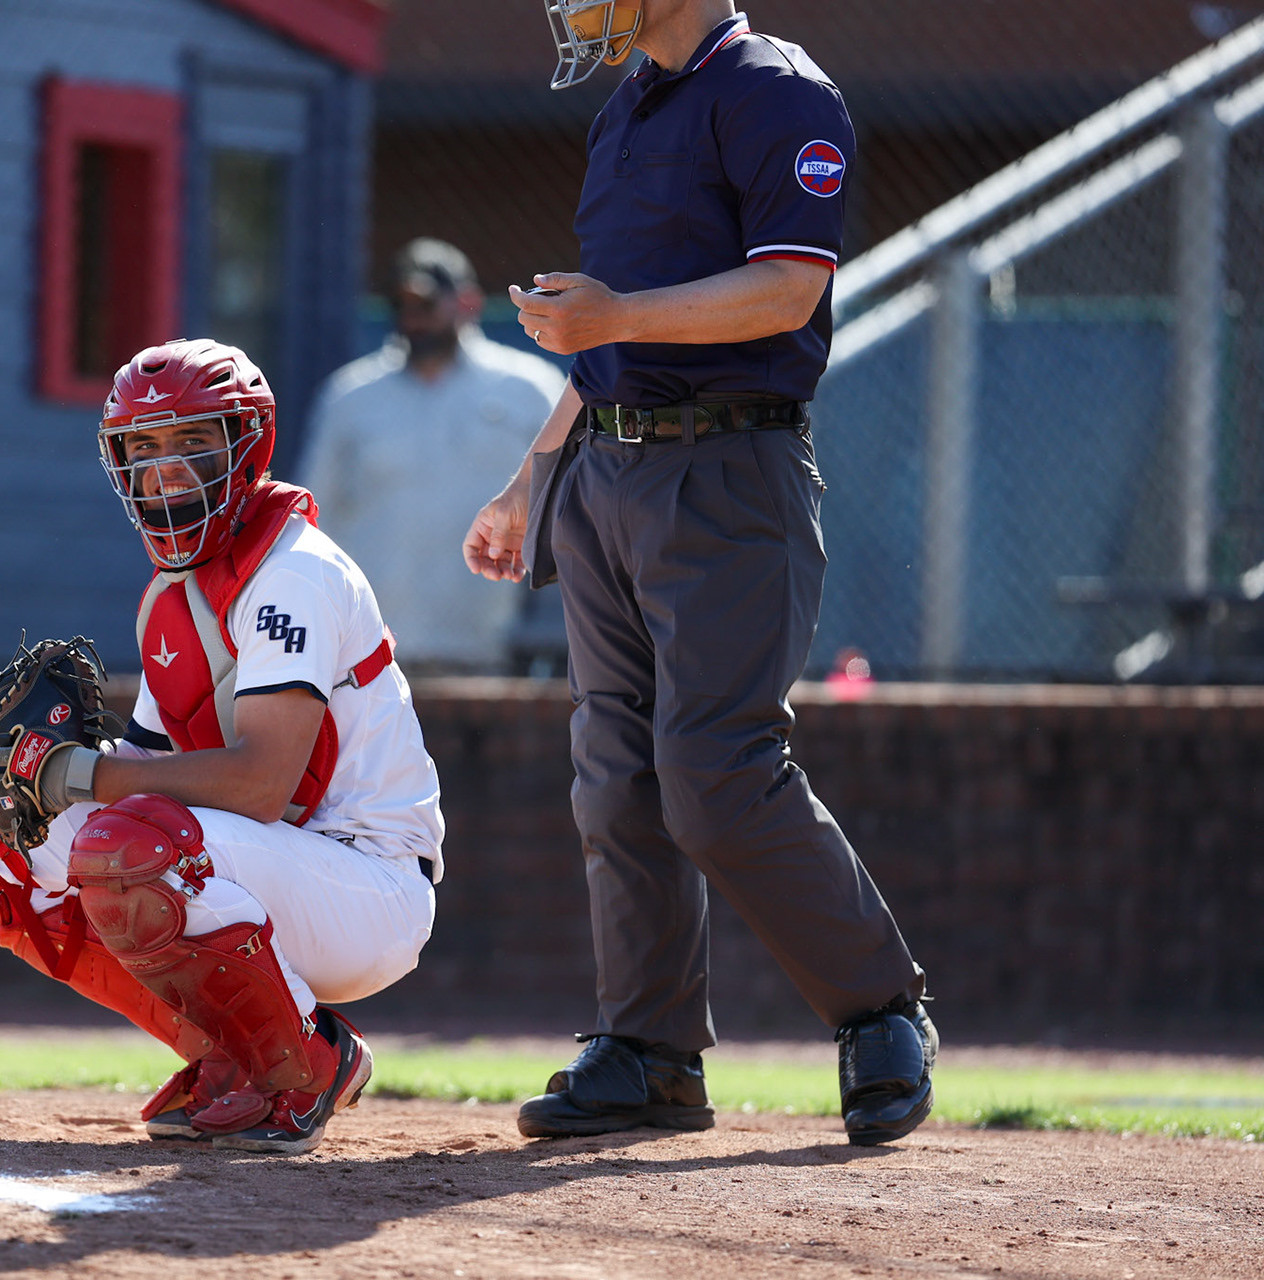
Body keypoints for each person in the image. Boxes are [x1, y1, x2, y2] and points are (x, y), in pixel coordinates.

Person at [462, 1, 937, 1146]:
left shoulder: (778, 88)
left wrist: (617, 311)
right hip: (608, 474)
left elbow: (789, 288)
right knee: (615, 777)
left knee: (716, 775)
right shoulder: (628, 108)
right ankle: (649, 1051)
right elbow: (609, 341)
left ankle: (883, 1007)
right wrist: (532, 474)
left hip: (732, 473)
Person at [0, 338, 442, 1155]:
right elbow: (140, 775)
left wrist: (71, 772)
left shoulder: (294, 573)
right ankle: (229, 1057)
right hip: (268, 866)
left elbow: (261, 783)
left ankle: (310, 1059)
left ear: (248, 449)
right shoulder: (171, 597)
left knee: (129, 847)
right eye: (145, 447)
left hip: (368, 883)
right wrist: (7, 773)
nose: (166, 470)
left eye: (193, 441)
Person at [299, 239, 564, 671]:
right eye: (402, 304)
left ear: (467, 301)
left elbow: (565, 503)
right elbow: (313, 519)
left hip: (495, 649)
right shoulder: (350, 397)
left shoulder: (529, 388)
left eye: (426, 302)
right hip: (372, 655)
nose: (415, 318)